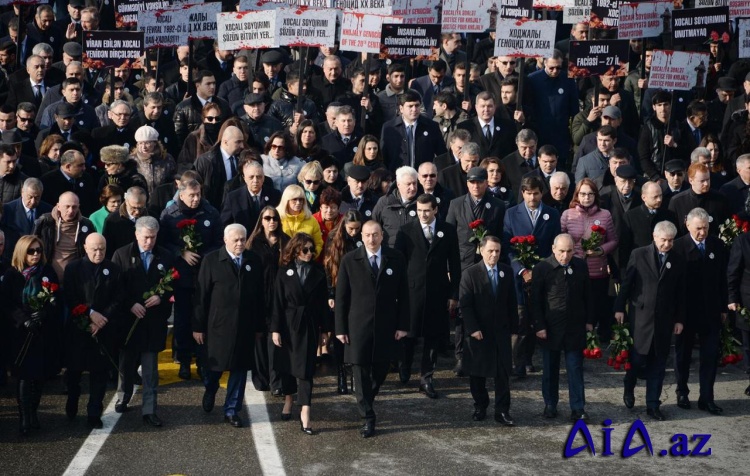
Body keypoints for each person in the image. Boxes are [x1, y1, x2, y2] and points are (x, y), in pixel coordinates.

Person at [335, 220, 409, 438]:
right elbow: (341, 298)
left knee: (381, 368)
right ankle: (368, 417)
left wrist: (403, 325)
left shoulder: (395, 258)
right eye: (367, 235)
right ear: (361, 237)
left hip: (387, 325)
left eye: (375, 234)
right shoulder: (350, 260)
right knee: (359, 370)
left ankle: (367, 397)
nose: (371, 239)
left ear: (382, 235)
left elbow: (404, 294)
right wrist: (340, 328)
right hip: (357, 325)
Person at [194, 224, 265, 428]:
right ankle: (210, 389)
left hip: (245, 327)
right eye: (236, 240)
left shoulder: (253, 261)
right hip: (218, 327)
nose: (240, 243)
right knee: (214, 367)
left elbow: (259, 296)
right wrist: (198, 326)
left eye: (243, 239)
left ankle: (232, 410)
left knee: (240, 369)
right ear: (225, 240)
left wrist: (259, 326)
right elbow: (201, 296)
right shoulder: (211, 261)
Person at [615, 221, 685, 421]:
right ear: (655, 237)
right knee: (637, 360)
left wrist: (679, 319)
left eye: (671, 240)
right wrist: (619, 308)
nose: (667, 244)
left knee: (659, 364)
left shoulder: (678, 260)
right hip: (641, 318)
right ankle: (629, 385)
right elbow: (627, 283)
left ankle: (653, 404)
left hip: (664, 320)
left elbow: (681, 293)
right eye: (663, 240)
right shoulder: (639, 254)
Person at [394, 194, 461, 397]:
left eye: (426, 210)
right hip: (412, 292)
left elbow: (455, 264)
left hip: (438, 292)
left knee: (432, 338)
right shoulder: (406, 231)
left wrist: (453, 294)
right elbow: (398, 263)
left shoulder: (447, 231)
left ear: (435, 210)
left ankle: (426, 378)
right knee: (409, 336)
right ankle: (404, 366)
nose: (423, 214)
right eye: (419, 210)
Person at [111, 217, 175, 427]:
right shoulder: (121, 254)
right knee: (126, 365)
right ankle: (123, 396)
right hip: (129, 322)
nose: (149, 241)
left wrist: (161, 298)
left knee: (150, 370)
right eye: (145, 237)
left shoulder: (165, 256)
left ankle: (149, 409)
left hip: (152, 322)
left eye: (153, 237)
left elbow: (171, 285)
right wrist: (130, 304)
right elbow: (115, 287)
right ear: (136, 234)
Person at [446, 166, 507, 375]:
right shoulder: (456, 204)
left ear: (486, 182)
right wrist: (448, 267)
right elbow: (449, 237)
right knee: (463, 311)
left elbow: (501, 237)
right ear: (467, 183)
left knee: (485, 308)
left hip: (487, 265)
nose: (476, 185)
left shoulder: (498, 205)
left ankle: (486, 355)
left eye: (480, 181)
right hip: (463, 265)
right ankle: (461, 356)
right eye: (472, 182)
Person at [160, 178, 223, 380]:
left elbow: (218, 242)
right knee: (183, 320)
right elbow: (163, 244)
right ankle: (184, 361)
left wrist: (205, 256)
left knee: (204, 318)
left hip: (205, 275)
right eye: (191, 195)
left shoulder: (210, 212)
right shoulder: (169, 215)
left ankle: (203, 362)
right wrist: (181, 253)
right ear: (181, 194)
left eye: (198, 195)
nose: (196, 199)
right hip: (182, 276)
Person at [503, 176, 562, 377]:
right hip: (519, 278)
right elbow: (507, 248)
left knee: (536, 318)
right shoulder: (511, 213)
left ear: (541, 193)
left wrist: (539, 270)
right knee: (520, 320)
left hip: (543, 276)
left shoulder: (552, 214)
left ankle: (528, 360)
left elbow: (554, 247)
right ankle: (516, 364)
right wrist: (522, 269)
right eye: (528, 193)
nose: (532, 197)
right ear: (523, 193)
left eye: (536, 193)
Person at [531, 234, 594, 421]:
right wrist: (539, 326)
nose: (565, 256)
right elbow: (535, 300)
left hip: (575, 327)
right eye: (561, 251)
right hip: (551, 327)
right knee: (550, 369)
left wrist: (590, 321)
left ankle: (578, 407)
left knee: (575, 368)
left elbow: (588, 294)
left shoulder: (580, 265)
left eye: (569, 251)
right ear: (553, 249)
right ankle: (550, 404)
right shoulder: (543, 268)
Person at [62, 233, 122, 428]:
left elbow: (117, 298)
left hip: (103, 330)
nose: (98, 253)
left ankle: (94, 412)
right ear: (86, 248)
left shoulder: (112, 269)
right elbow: (70, 296)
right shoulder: (74, 268)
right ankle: (72, 399)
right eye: (95, 249)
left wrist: (101, 320)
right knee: (74, 372)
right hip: (78, 329)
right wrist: (89, 314)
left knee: (99, 374)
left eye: (102, 249)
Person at [2, 235, 60, 434]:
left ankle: (34, 414)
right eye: (31, 251)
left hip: (42, 331)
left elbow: (56, 298)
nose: (36, 255)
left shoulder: (47, 272)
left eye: (39, 251)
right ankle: (24, 418)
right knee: (24, 376)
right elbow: (7, 304)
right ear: (22, 252)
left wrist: (45, 311)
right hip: (20, 333)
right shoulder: (12, 275)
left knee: (39, 376)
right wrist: (24, 319)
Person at [672, 208, 727, 415]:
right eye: (698, 228)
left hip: (710, 310)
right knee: (683, 354)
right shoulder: (678, 247)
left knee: (710, 355)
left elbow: (722, 278)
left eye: (705, 228)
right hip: (686, 312)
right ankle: (682, 391)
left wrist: (723, 307)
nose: (702, 232)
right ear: (687, 225)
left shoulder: (717, 245)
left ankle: (707, 397)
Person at [271, 232, 327, 435]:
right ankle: (288, 399)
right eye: (305, 250)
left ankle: (305, 411)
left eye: (312, 250)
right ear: (295, 250)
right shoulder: (284, 271)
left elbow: (322, 305)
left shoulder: (318, 271)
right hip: (287, 324)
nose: (310, 253)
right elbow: (277, 302)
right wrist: (275, 329)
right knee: (286, 365)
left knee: (305, 369)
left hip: (309, 325)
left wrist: (325, 331)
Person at [459, 235, 517, 425]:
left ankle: (502, 411)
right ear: (481, 251)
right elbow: (465, 305)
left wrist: (514, 328)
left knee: (502, 373)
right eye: (490, 251)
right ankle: (480, 405)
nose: (494, 255)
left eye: (497, 251)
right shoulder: (470, 273)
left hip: (500, 331)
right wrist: (473, 328)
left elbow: (511, 302)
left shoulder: (506, 272)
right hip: (479, 332)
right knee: (477, 373)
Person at [561, 179, 618, 343]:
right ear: (577, 195)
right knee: (577, 305)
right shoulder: (567, 214)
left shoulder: (605, 215)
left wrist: (600, 250)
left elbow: (613, 241)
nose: (586, 197)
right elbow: (561, 238)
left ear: (595, 195)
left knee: (595, 304)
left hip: (597, 269)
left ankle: (594, 337)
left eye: (590, 194)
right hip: (575, 268)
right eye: (583, 194)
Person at [247, 206, 290, 394]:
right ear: (261, 221)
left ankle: (277, 381)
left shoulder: (285, 241)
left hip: (279, 297)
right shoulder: (253, 243)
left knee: (276, 339)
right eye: (267, 218)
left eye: (275, 218)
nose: (271, 221)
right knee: (259, 338)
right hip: (258, 297)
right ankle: (261, 377)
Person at [323, 210, 362, 394]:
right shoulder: (335, 239)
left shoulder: (363, 237)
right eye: (351, 229)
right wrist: (331, 294)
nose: (354, 232)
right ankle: (341, 374)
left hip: (360, 291)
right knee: (340, 334)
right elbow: (329, 266)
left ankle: (355, 371)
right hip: (340, 289)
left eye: (357, 228)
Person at [32, 191, 94, 284]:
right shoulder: (45, 222)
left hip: (76, 280)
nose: (71, 211)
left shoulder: (86, 225)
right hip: (47, 278)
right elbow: (31, 245)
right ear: (58, 206)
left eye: (74, 207)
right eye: (67, 206)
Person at [379, 90, 446, 171]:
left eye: (417, 105)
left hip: (423, 178)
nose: (414, 109)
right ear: (401, 109)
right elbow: (383, 155)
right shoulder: (389, 128)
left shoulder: (431, 126)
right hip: (397, 178)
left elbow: (442, 154)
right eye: (410, 106)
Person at [668, 163, 729, 237]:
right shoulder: (677, 202)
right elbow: (672, 231)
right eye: (702, 181)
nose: (706, 184)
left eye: (708, 179)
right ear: (691, 180)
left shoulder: (720, 199)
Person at [221, 159, 282, 230]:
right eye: (251, 177)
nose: (255, 181)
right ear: (244, 178)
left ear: (263, 178)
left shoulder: (275, 195)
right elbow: (224, 224)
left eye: (259, 177)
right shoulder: (233, 198)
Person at [0, 178, 52, 258]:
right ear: (22, 192)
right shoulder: (8, 209)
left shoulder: (48, 211)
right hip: (14, 257)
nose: (33, 201)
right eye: (30, 197)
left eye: (37, 197)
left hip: (37, 257)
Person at [372, 165, 421, 247]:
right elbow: (374, 225)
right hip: (391, 253)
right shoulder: (385, 202)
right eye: (408, 184)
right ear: (398, 184)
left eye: (414, 183)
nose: (412, 188)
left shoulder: (423, 202)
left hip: (415, 253)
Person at [277, 184, 324, 258]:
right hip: (282, 263)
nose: (298, 202)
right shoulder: (277, 219)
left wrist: (311, 257)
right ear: (286, 200)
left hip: (305, 264)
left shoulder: (311, 220)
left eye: (301, 199)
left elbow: (318, 243)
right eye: (294, 199)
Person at [102, 186, 149, 258]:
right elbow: (108, 249)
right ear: (126, 201)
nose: (137, 212)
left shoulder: (151, 218)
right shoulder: (112, 220)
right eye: (134, 208)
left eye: (141, 208)